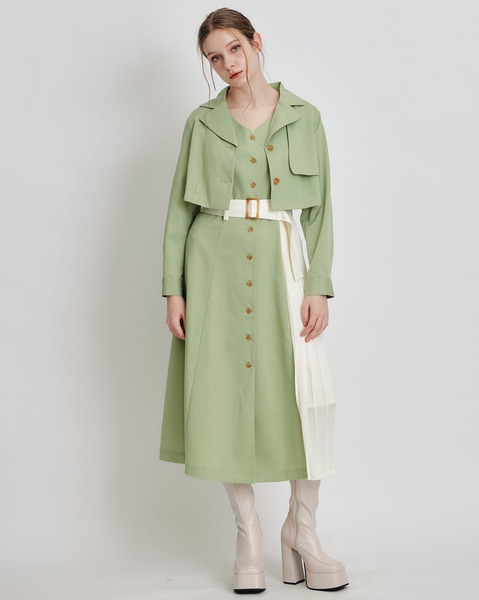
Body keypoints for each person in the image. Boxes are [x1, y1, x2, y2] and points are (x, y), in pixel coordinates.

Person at [159, 7, 349, 594]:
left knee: (305, 393)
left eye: (234, 49)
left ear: (256, 42)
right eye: (214, 58)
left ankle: (303, 530)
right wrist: (174, 287)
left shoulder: (304, 117)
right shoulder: (202, 123)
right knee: (220, 394)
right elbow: (179, 209)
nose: (226, 65)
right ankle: (248, 533)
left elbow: (320, 210)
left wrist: (317, 283)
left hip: (282, 262)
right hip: (212, 262)